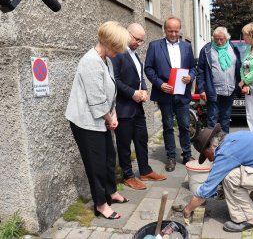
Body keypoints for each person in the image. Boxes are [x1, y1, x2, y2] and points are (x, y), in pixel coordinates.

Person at [65, 21, 129, 219]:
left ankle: (111, 191)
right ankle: (100, 204)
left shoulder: (106, 60)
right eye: (118, 48)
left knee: (110, 158)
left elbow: (110, 92)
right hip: (85, 121)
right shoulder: (90, 61)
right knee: (96, 164)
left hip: (102, 117)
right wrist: (109, 118)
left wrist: (114, 114)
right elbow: (96, 99)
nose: (119, 52)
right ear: (109, 43)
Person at [111, 23, 167, 191]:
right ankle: (128, 175)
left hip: (137, 107)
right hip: (123, 107)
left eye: (142, 41)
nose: (139, 43)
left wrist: (143, 89)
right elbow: (115, 79)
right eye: (137, 39)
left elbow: (140, 76)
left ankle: (145, 170)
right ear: (128, 34)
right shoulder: (117, 53)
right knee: (124, 143)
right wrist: (133, 93)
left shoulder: (135, 55)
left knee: (142, 139)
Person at [144, 16, 196, 172]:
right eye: (170, 30)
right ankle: (171, 157)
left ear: (180, 30)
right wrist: (160, 84)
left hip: (182, 93)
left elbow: (193, 68)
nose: (173, 34)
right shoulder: (154, 46)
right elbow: (148, 69)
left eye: (176, 31)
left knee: (185, 126)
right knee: (167, 126)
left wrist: (191, 77)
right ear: (164, 30)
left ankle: (187, 155)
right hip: (164, 93)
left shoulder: (187, 47)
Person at [196, 26, 241, 133]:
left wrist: (240, 84)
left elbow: (239, 67)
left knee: (225, 119)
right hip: (213, 91)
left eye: (221, 39)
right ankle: (211, 146)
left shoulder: (233, 48)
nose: (219, 42)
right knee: (212, 119)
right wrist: (201, 89)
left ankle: (224, 145)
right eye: (216, 39)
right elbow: (200, 71)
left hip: (229, 90)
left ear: (227, 38)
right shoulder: (207, 50)